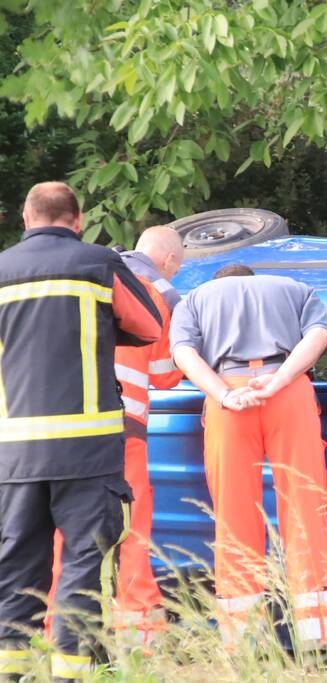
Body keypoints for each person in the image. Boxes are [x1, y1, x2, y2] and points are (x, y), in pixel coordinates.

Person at [0, 182, 162, 679]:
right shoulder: (98, 262)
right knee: (82, 564)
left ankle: (12, 671)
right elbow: (151, 327)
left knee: (17, 568)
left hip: (16, 452)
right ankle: (74, 672)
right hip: (87, 452)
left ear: (26, 219)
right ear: (78, 219)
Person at [169, 264, 327, 648]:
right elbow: (319, 335)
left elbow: (183, 354)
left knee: (233, 515)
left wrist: (224, 393)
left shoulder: (194, 299)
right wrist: (280, 380)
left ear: (221, 283)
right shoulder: (297, 286)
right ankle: (321, 640)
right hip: (289, 392)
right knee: (304, 507)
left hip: (228, 397)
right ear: (251, 277)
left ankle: (244, 642)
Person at [47, 226, 185, 648]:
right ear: (170, 262)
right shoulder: (153, 294)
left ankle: (58, 631)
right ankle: (138, 632)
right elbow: (166, 377)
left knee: (64, 532)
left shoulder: (70, 286)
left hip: (64, 432)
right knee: (131, 531)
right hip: (125, 433)